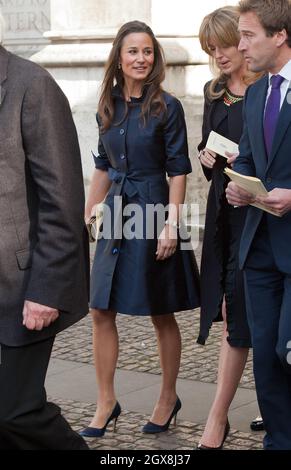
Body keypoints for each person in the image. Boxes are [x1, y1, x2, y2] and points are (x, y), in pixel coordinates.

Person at [81, 20, 200, 438]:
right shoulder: (106, 106)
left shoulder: (168, 107)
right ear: (119, 56)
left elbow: (179, 171)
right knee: (99, 309)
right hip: (116, 210)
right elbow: (102, 165)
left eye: (147, 51)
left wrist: (172, 224)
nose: (141, 58)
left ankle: (168, 396)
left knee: (160, 309)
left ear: (155, 58)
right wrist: (88, 212)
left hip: (153, 210)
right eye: (133, 51)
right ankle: (105, 401)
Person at [0, 13, 89, 450]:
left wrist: (48, 289)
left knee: (17, 411)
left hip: (21, 287)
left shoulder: (32, 86)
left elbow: (63, 198)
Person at [196, 6, 263, 450]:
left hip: (260, 212)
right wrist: (206, 157)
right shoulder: (213, 92)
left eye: (222, 44)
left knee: (253, 312)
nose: (219, 54)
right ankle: (224, 415)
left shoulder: (268, 89)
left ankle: (225, 415)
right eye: (212, 49)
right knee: (232, 312)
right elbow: (208, 150)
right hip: (224, 216)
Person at [226, 0, 291, 450]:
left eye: (248, 35)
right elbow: (248, 156)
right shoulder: (253, 93)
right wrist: (238, 184)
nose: (240, 45)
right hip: (259, 246)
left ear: (280, 35)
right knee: (266, 356)